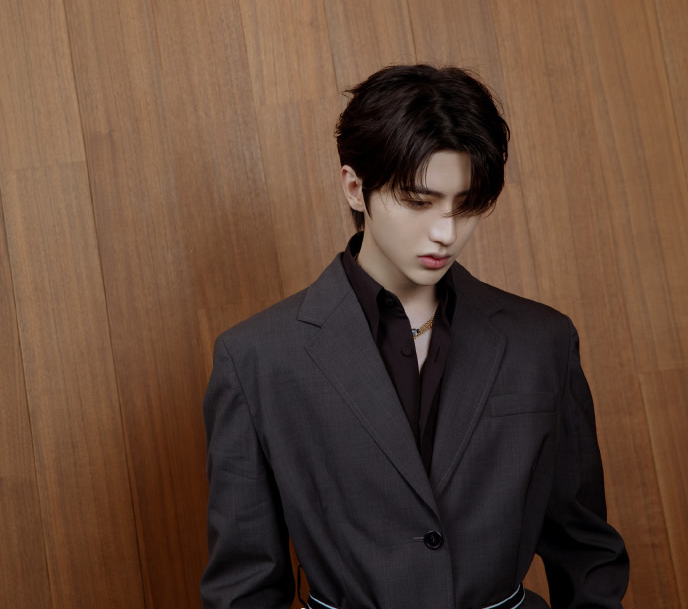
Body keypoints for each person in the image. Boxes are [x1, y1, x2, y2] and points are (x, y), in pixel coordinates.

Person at [201, 64, 629, 609]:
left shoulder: (541, 340)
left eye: (466, 205)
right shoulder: (256, 358)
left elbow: (587, 551)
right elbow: (243, 586)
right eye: (420, 202)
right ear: (355, 187)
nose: (446, 232)